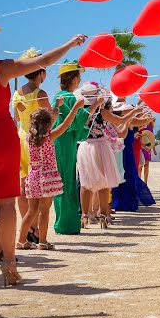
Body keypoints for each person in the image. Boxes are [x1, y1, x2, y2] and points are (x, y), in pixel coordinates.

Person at [0, 29, 86, 288]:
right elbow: (43, 62)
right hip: (1, 141)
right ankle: (8, 263)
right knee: (6, 204)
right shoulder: (0, 69)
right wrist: (70, 43)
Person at [16, 105, 82, 250]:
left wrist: (56, 109)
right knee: (44, 210)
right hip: (47, 176)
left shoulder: (29, 138)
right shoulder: (49, 137)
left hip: (33, 175)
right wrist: (75, 108)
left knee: (31, 211)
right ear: (47, 124)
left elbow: (50, 122)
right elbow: (65, 125)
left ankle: (21, 241)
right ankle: (42, 242)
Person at [76, 84, 138, 228]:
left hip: (87, 146)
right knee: (99, 182)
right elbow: (120, 121)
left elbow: (120, 121)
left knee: (88, 182)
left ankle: (87, 216)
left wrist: (133, 112)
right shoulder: (98, 112)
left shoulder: (81, 111)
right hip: (99, 146)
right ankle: (100, 215)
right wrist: (133, 112)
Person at [12, 49, 54, 239]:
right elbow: (50, 117)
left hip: (20, 137)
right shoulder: (40, 93)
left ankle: (27, 226)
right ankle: (36, 228)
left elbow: (15, 117)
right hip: (36, 139)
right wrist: (59, 109)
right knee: (39, 184)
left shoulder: (17, 94)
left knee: (22, 185)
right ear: (41, 72)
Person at [52, 61, 91, 234]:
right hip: (63, 142)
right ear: (74, 79)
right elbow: (73, 123)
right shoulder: (67, 98)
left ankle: (65, 221)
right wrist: (83, 111)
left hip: (64, 142)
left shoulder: (61, 97)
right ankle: (65, 223)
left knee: (65, 179)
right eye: (78, 76)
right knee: (65, 180)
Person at [112, 103, 156, 211]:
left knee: (123, 176)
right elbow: (143, 121)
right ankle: (125, 202)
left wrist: (147, 116)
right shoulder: (128, 121)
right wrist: (149, 117)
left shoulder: (118, 121)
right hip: (125, 153)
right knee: (127, 176)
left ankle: (119, 201)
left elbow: (143, 121)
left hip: (122, 152)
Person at [139, 121, 155, 186]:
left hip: (148, 147)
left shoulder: (151, 127)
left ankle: (145, 182)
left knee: (147, 165)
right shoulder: (141, 124)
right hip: (141, 147)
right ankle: (139, 181)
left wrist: (154, 149)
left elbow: (152, 139)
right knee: (140, 165)